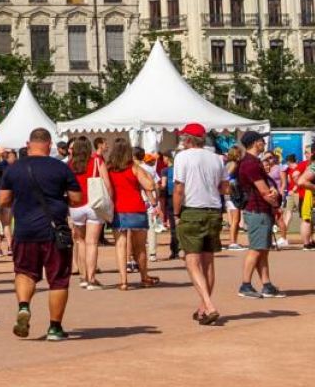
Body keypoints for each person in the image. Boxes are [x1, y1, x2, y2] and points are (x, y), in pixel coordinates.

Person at [0, 127, 85, 341]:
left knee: (25, 272)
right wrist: (59, 199)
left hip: (25, 231)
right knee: (58, 280)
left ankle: (24, 306)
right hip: (54, 231)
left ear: (28, 144)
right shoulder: (60, 168)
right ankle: (55, 328)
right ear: (49, 144)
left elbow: (3, 200)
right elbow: (76, 198)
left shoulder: (14, 168)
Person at [171, 124, 228, 324]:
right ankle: (204, 308)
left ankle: (209, 305)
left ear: (187, 139)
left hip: (192, 210)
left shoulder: (182, 157)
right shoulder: (217, 158)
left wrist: (176, 213)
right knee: (208, 262)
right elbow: (224, 188)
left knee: (192, 261)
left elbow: (179, 188)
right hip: (213, 210)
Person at [233, 132, 284, 299]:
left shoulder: (251, 162)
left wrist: (273, 193)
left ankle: (267, 285)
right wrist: (276, 203)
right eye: (262, 140)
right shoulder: (251, 163)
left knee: (262, 250)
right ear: (256, 143)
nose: (264, 143)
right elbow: (263, 191)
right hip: (258, 210)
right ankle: (245, 285)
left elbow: (265, 189)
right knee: (256, 249)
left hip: (259, 209)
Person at [104, 139, 159, 290]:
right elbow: (150, 185)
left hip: (117, 210)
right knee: (140, 246)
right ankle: (144, 276)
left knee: (120, 245)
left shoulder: (109, 168)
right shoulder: (134, 167)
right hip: (136, 208)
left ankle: (123, 281)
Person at [68, 137, 105, 290]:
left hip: (75, 205)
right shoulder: (96, 161)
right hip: (93, 203)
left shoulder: (70, 164)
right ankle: (91, 278)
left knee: (80, 241)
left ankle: (83, 277)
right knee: (92, 242)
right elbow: (106, 182)